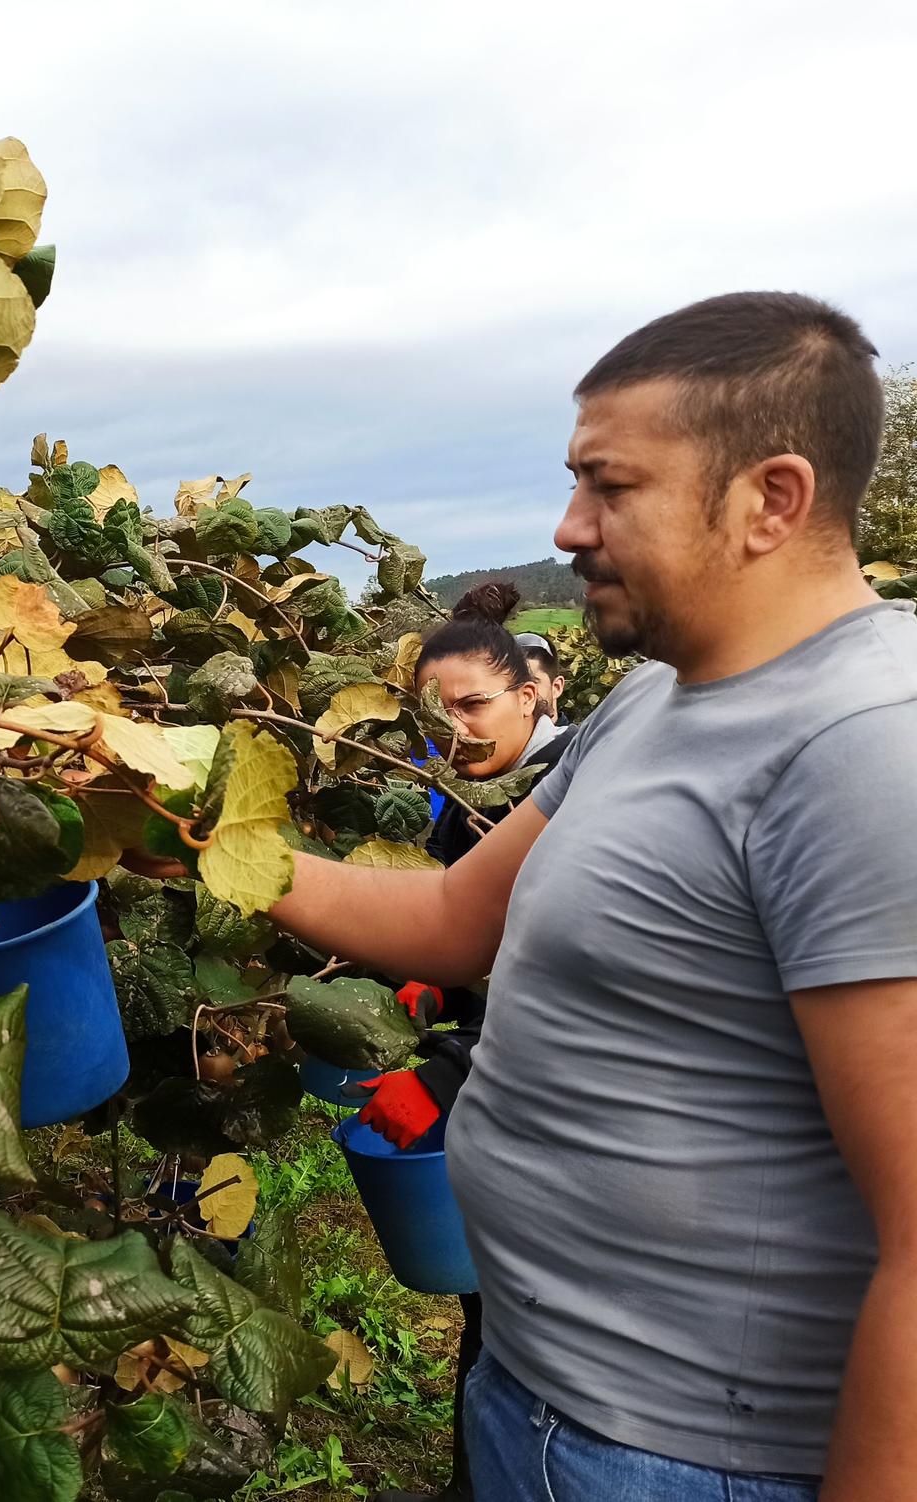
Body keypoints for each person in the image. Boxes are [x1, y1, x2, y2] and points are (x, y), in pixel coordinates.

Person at [271, 292, 916, 1501]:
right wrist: (194, 841)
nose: (566, 528)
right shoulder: (650, 704)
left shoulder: (867, 749)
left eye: (608, 488)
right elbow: (451, 921)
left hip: (686, 1457)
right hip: (536, 1391)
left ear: (767, 499)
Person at [355, 579, 573, 1502]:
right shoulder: (469, 786)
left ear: (533, 692)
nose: (458, 728)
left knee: (532, 1321)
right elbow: (468, 916)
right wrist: (438, 978)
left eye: (476, 704)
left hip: (555, 1105)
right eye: (440, 711)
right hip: (505, 1089)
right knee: (494, 1312)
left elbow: (565, 986)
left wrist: (448, 1072)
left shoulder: (572, 803)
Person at [513, 633, 568, 723]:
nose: (519, 694)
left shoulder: (577, 737)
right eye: (511, 685)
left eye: (531, 683)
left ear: (556, 688)